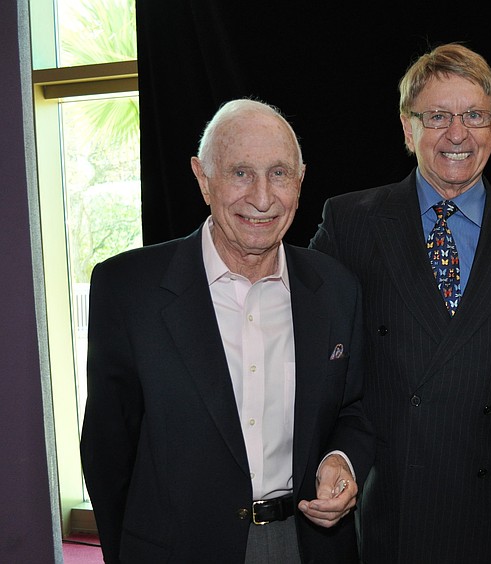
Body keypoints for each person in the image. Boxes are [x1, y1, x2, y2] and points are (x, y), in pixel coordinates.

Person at [80, 98, 375, 564]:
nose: (261, 197)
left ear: (300, 181)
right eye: (241, 173)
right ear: (203, 178)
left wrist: (339, 459)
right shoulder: (129, 291)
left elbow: (354, 410)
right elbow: (107, 451)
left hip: (308, 546)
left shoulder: (336, 288)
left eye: (279, 173)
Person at [308, 42, 491, 563]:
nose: (457, 133)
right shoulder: (352, 223)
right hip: (394, 507)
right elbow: (306, 345)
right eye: (437, 116)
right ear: (407, 127)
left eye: (474, 115)